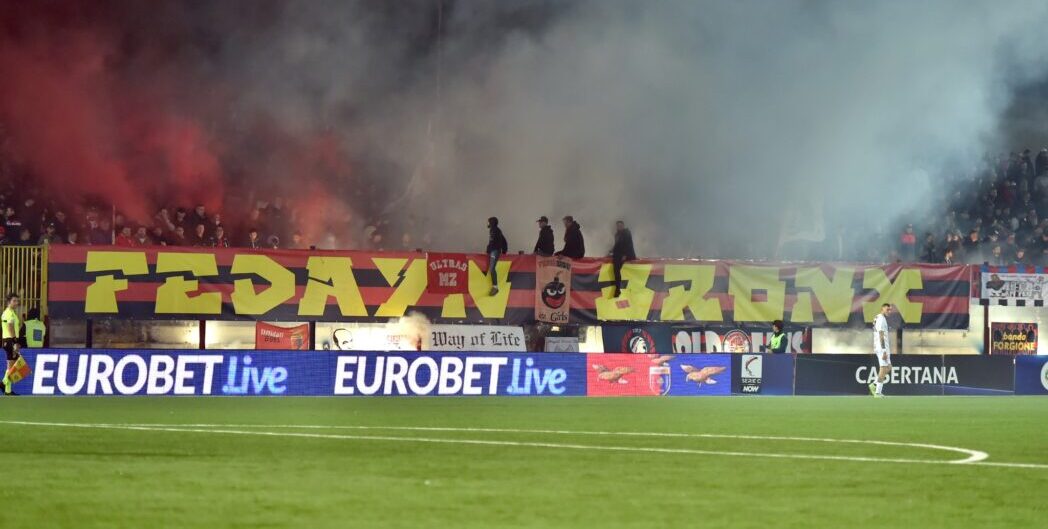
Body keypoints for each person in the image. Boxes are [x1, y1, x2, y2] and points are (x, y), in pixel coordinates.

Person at [869, 303, 892, 398]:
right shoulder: (881, 319)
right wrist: (884, 350)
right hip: (882, 347)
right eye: (887, 309)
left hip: (882, 346)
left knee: (889, 367)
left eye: (890, 310)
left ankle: (874, 384)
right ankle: (878, 393)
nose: (889, 311)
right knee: (883, 368)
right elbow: (881, 335)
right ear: (882, 308)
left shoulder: (878, 317)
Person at [2, 293, 22, 395]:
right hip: (9, 340)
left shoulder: (12, 313)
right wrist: (15, 341)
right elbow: (10, 327)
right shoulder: (8, 313)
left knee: (12, 366)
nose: (16, 303)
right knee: (12, 366)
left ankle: (7, 389)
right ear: (9, 302)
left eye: (17, 301)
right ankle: (5, 383)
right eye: (14, 301)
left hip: (10, 340)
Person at [610, 220, 636, 297]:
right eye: (618, 226)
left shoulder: (626, 233)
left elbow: (629, 244)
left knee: (617, 270)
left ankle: (617, 290)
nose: (619, 227)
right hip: (618, 254)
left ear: (623, 226)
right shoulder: (617, 234)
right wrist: (612, 250)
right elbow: (617, 245)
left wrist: (625, 255)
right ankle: (617, 289)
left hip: (624, 255)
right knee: (616, 270)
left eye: (620, 225)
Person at [486, 216, 508, 296]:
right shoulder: (497, 230)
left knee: (492, 268)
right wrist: (504, 250)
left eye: (488, 222)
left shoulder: (494, 230)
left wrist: (488, 250)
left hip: (494, 251)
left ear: (491, 222)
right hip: (495, 250)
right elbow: (504, 240)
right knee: (491, 268)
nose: (487, 223)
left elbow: (492, 242)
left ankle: (495, 287)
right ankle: (495, 287)